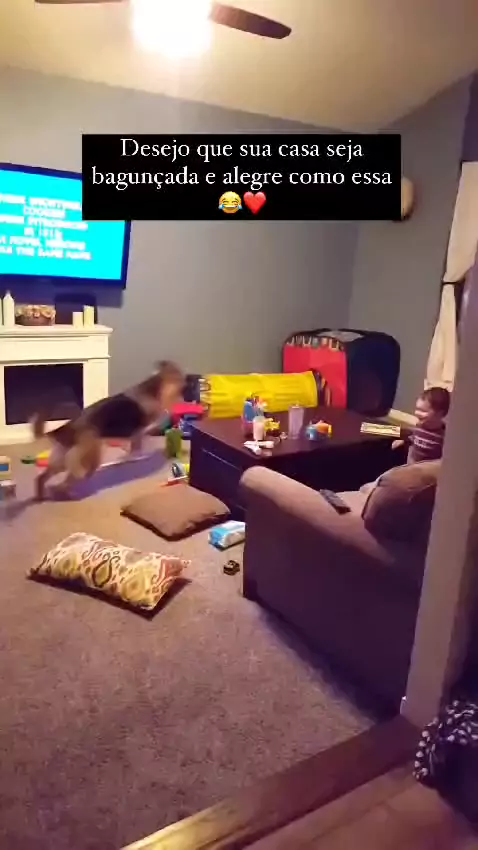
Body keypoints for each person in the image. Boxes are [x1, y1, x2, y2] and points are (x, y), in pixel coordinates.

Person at [32, 360, 185, 500]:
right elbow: (148, 421)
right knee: (87, 466)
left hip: (81, 425)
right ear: (165, 383)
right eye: (177, 389)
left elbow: (138, 427)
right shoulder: (150, 404)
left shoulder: (137, 394)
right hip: (89, 433)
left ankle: (43, 483)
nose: (178, 394)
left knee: (65, 454)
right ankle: (63, 487)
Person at [393, 386, 450, 464]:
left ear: (439, 413)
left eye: (423, 411)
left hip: (427, 469)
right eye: (417, 409)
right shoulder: (419, 426)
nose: (417, 413)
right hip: (412, 464)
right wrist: (404, 441)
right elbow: (415, 437)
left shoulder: (442, 436)